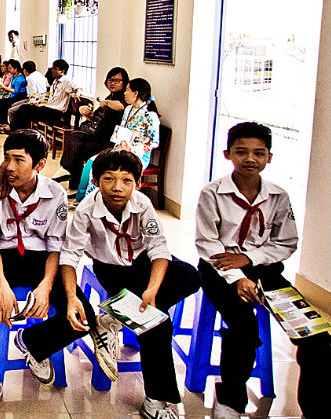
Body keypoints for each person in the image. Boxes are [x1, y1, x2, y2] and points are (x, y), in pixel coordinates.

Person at [0, 130, 104, 419]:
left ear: (39, 164)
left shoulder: (55, 194)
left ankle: (32, 342)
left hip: (42, 261)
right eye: (6, 159)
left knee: (81, 316)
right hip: (2, 258)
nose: (9, 167)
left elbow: (55, 249)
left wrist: (45, 285)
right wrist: (1, 286)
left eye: (18, 160)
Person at [196, 122, 330, 419]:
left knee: (317, 338)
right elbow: (207, 244)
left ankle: (315, 409)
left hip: (265, 272)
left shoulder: (278, 196)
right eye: (241, 152)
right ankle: (229, 400)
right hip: (218, 272)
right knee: (243, 330)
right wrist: (238, 276)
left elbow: (287, 242)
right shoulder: (212, 193)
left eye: (259, 153)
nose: (250, 159)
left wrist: (249, 260)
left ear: (270, 157)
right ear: (227, 153)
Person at [61, 149, 200, 419]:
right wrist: (71, 296)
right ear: (96, 181)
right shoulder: (87, 210)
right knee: (157, 325)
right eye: (109, 179)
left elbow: (159, 249)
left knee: (192, 276)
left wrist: (152, 290)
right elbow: (70, 255)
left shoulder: (142, 204)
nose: (117, 187)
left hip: (143, 264)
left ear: (136, 183)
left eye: (126, 180)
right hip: (112, 269)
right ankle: (155, 400)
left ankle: (115, 318)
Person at [78, 77, 159, 199]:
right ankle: (83, 198)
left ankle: (96, 199)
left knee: (101, 168)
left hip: (138, 154)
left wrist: (132, 149)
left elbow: (154, 142)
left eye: (127, 90)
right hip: (120, 149)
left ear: (135, 93)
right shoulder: (128, 109)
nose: (124, 93)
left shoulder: (149, 115)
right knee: (91, 162)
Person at [57, 67, 128, 190]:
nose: (112, 83)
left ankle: (71, 178)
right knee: (75, 137)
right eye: (110, 80)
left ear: (125, 82)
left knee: (78, 149)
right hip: (97, 135)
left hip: (109, 142)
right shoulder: (110, 97)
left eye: (117, 81)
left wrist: (105, 103)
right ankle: (69, 174)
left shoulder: (123, 98)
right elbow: (97, 119)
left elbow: (121, 107)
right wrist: (88, 114)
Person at [10, 59, 81, 131]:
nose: (52, 70)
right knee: (25, 109)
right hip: (48, 108)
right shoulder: (55, 81)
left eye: (55, 69)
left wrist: (77, 93)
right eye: (52, 68)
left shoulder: (66, 81)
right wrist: (40, 104)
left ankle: (14, 129)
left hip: (55, 112)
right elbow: (51, 98)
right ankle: (19, 131)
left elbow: (77, 87)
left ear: (62, 71)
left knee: (25, 109)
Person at [0, 59, 26, 127]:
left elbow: (16, 91)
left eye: (10, 68)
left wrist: (3, 87)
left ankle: (0, 123)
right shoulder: (14, 76)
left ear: (15, 69)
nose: (9, 70)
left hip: (19, 96)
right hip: (12, 95)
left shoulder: (20, 78)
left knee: (1, 103)